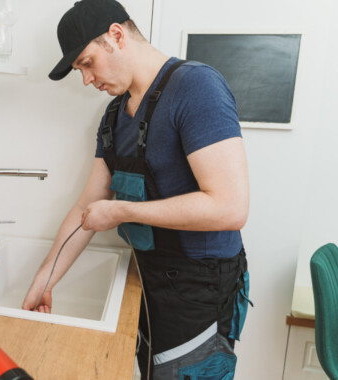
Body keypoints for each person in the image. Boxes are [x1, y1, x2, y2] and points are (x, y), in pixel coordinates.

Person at [21, 0, 252, 379]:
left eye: (87, 62)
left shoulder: (197, 87)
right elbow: (88, 206)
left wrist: (122, 212)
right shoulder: (114, 115)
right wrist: (44, 281)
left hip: (201, 290)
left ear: (116, 35)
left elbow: (230, 207)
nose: (86, 80)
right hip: (149, 279)